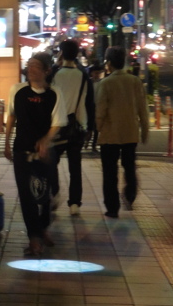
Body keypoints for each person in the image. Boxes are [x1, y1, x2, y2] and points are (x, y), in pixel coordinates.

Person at [4, 53, 67, 257]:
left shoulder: (55, 93)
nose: (30, 70)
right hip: (22, 149)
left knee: (46, 192)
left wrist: (45, 141)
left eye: (36, 66)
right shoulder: (17, 90)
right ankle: (34, 238)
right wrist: (6, 142)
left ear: (47, 70)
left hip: (46, 152)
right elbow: (11, 116)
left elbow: (57, 122)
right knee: (26, 194)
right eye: (29, 66)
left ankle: (42, 228)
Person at [95, 46, 149, 218]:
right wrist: (145, 130)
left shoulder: (106, 83)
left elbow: (101, 111)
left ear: (109, 63)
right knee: (129, 166)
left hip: (110, 135)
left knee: (109, 172)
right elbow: (143, 108)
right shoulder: (135, 81)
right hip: (130, 132)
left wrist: (97, 128)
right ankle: (130, 195)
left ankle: (112, 207)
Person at [50, 39, 93, 216]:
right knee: (75, 167)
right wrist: (90, 128)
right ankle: (74, 203)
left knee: (52, 162)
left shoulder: (54, 74)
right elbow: (90, 104)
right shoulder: (83, 75)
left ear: (61, 53)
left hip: (58, 126)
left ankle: (54, 192)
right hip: (77, 126)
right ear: (77, 54)